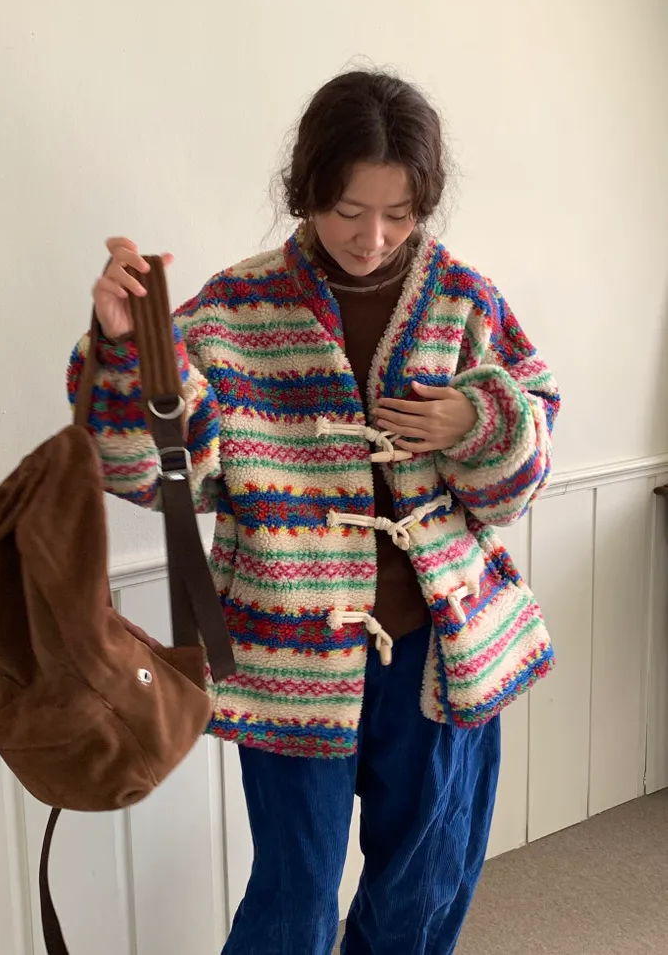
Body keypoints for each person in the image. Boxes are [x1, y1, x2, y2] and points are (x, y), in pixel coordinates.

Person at [68, 70, 559, 955]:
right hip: (289, 654)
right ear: (306, 190)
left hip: (438, 657)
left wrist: (479, 419)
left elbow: (519, 479)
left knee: (424, 885)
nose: (373, 238)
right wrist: (123, 348)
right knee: (292, 894)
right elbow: (159, 474)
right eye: (347, 209)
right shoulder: (233, 308)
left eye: (400, 213)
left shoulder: (464, 298)